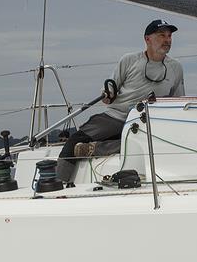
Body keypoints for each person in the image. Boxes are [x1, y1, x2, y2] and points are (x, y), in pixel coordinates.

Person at [56, 19, 185, 183]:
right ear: (147, 39)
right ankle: (58, 184)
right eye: (161, 35)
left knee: (154, 142)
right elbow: (110, 92)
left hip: (147, 121)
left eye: (169, 36)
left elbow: (177, 101)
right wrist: (108, 95)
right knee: (73, 142)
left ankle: (96, 148)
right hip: (116, 117)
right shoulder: (129, 60)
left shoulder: (176, 67)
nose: (167, 40)